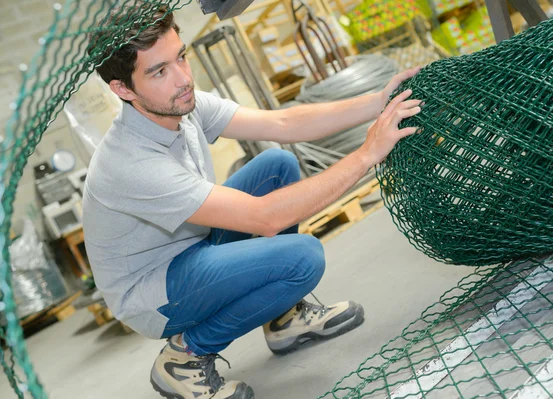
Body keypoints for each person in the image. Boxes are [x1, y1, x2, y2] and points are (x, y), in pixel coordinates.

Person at [83, 6, 421, 399]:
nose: (183, 78)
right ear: (123, 89)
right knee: (302, 259)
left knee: (276, 164)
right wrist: (366, 154)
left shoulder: (178, 106)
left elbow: (283, 124)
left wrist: (377, 102)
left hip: (189, 246)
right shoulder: (131, 162)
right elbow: (266, 218)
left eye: (181, 57)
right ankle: (185, 356)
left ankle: (284, 320)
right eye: (159, 71)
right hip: (154, 292)